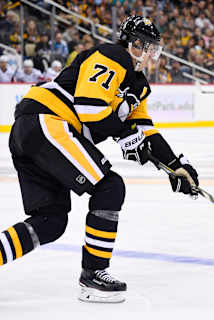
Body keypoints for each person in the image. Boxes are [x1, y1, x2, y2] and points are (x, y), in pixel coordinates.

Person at [0, 16, 199, 303]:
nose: (149, 55)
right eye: (146, 47)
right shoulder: (113, 55)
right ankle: (94, 274)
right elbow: (90, 109)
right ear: (133, 43)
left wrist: (176, 166)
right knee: (110, 187)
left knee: (50, 221)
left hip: (35, 132)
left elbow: (144, 130)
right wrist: (126, 137)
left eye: (154, 49)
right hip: (49, 122)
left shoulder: (137, 85)